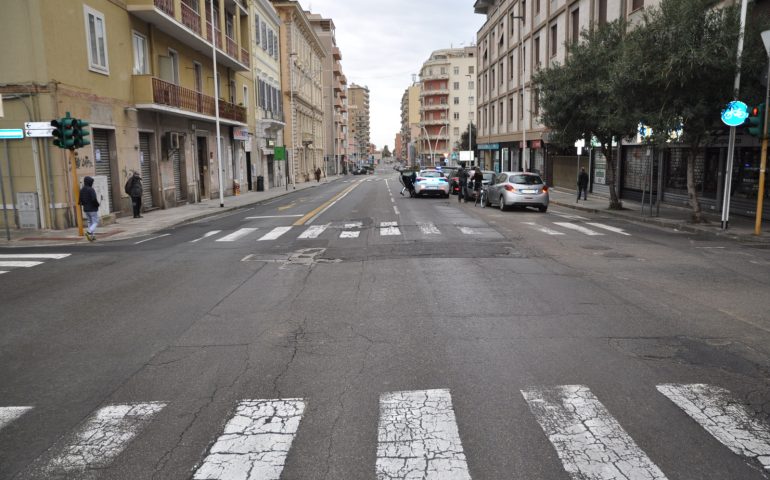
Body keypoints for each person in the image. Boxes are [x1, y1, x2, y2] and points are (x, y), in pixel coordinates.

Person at [79, 176, 100, 242]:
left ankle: (92, 236)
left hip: (86, 209)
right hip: (92, 209)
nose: (92, 183)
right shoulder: (91, 189)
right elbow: (94, 199)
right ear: (89, 182)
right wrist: (97, 204)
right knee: (95, 221)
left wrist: (84, 204)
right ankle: (89, 232)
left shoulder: (82, 190)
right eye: (92, 182)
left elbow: (80, 200)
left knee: (89, 222)